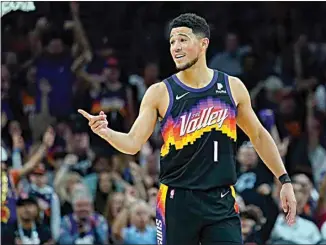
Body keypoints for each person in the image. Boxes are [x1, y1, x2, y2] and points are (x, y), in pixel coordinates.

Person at [78, 13, 296, 245]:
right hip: (176, 200)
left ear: (204, 44)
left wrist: (284, 180)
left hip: (220, 199)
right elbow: (133, 143)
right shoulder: (160, 92)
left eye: (182, 39)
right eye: (172, 41)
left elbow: (259, 135)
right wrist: (105, 132)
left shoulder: (231, 87)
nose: (176, 47)